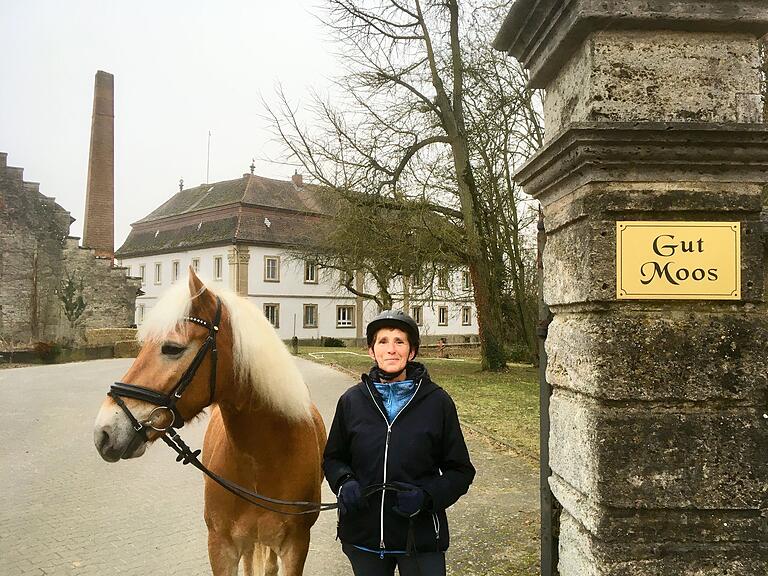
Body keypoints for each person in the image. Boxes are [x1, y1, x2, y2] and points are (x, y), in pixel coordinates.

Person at [323, 310, 476, 576]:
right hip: (364, 536)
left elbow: (461, 471)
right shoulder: (351, 401)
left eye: (399, 341)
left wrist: (427, 497)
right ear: (371, 351)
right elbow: (333, 458)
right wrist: (343, 482)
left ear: (412, 352)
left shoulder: (437, 402)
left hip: (419, 536)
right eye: (383, 342)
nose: (391, 349)